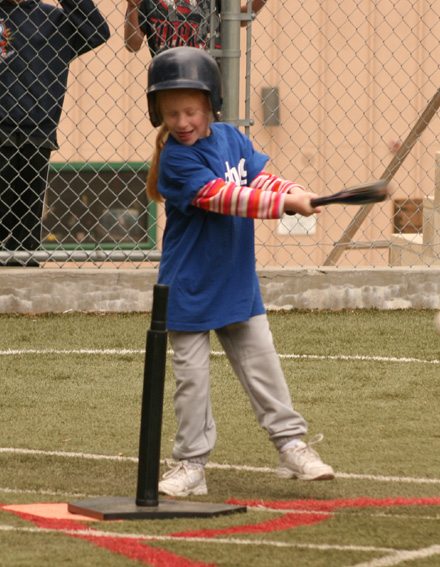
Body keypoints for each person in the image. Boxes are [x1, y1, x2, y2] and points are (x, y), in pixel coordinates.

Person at [145, 46, 334, 497]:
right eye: (171, 113)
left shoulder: (231, 136)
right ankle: (191, 465)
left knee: (262, 367)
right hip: (188, 286)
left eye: (190, 110)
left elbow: (257, 180)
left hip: (235, 279)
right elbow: (225, 197)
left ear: (211, 104)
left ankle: (291, 448)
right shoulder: (176, 160)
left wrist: (292, 189)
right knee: (192, 382)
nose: (182, 122)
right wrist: (284, 204)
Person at [0, 0, 110, 265]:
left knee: (26, 233)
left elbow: (98, 31)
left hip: (38, 134)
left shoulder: (54, 20)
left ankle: (23, 294)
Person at [124, 0, 267, 56]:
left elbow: (237, 19)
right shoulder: (149, 2)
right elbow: (132, 44)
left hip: (207, 77)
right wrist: (133, 6)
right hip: (168, 80)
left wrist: (259, 2)